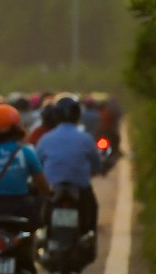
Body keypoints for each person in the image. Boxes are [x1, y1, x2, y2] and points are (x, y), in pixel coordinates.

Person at [35, 96, 104, 234]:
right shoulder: (86, 138)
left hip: (52, 190)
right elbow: (97, 165)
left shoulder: (45, 139)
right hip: (80, 189)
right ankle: (89, 237)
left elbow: (37, 165)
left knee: (38, 212)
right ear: (78, 115)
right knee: (92, 209)